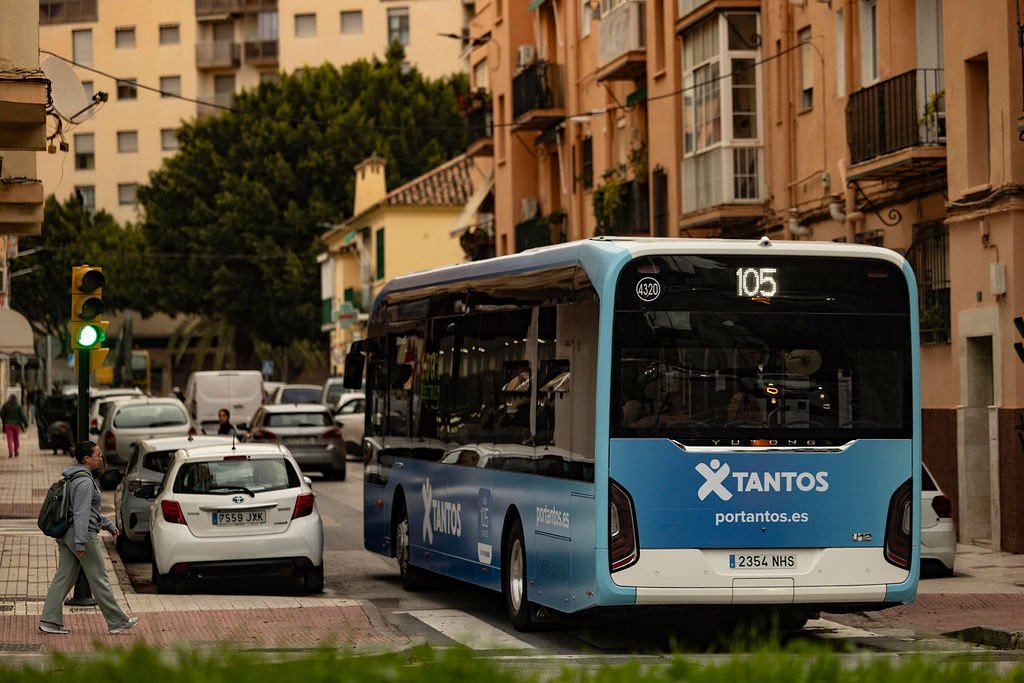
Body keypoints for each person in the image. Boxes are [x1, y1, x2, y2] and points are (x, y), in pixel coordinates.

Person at [39, 441, 139, 635]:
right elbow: (81, 513)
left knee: (63, 578)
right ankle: (117, 621)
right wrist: (81, 542)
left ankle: (49, 620)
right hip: (80, 533)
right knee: (99, 578)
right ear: (86, 458)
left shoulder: (75, 476)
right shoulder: (84, 481)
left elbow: (87, 511)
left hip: (67, 532)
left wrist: (108, 525)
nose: (101, 458)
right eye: (98, 455)